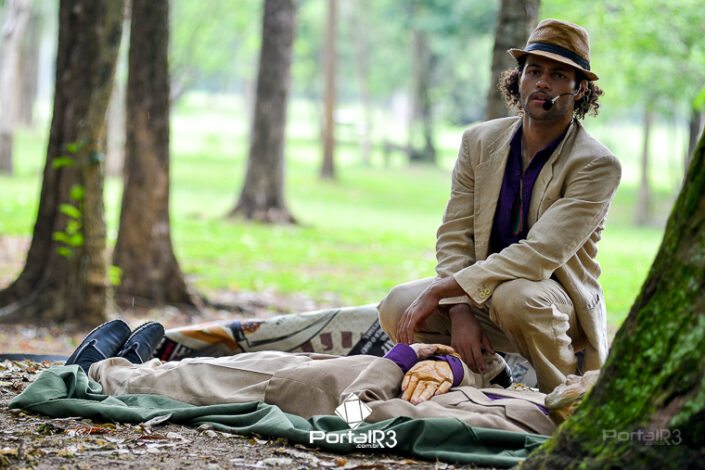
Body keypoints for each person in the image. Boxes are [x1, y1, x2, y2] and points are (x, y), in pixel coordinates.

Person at [378, 19, 621, 393]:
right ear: (518, 78)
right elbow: (455, 234)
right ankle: (489, 372)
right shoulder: (478, 141)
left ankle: (565, 392)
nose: (542, 83)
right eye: (534, 71)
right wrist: (458, 306)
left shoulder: (597, 164)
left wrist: (446, 289)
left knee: (515, 297)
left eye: (558, 75)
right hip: (479, 296)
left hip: (554, 306)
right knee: (398, 304)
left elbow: (539, 254)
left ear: (580, 90)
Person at [65, 319, 560, 435]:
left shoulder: (519, 425)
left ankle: (100, 372)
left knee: (203, 379)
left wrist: (400, 359)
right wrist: (449, 365)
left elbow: (357, 419)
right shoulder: (541, 403)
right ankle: (139, 367)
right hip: (334, 370)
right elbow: (492, 380)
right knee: (219, 368)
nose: (579, 384)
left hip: (307, 394)